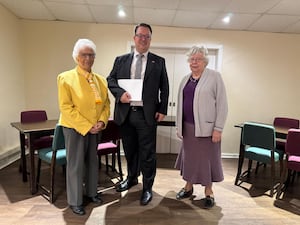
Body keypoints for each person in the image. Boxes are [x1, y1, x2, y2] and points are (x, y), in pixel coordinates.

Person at [107, 23, 169, 205]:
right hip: (126, 114)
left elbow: (164, 88)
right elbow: (110, 80)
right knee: (130, 150)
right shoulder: (121, 60)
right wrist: (120, 94)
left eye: (147, 36)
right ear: (134, 38)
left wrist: (162, 109)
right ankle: (132, 178)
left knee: (147, 153)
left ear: (150, 39)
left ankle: (147, 187)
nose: (143, 39)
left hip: (146, 115)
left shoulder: (159, 61)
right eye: (140, 35)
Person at [57, 38, 110, 215]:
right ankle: (75, 200)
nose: (88, 58)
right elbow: (66, 107)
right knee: (76, 165)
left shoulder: (101, 80)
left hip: (96, 128)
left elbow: (106, 104)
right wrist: (87, 126)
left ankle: (92, 193)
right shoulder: (65, 78)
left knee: (93, 162)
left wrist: (102, 122)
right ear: (76, 57)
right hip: (75, 129)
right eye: (83, 55)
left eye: (91, 55)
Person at [174, 46, 228, 209]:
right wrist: (179, 126)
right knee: (189, 159)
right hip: (189, 128)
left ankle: (208, 191)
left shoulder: (214, 77)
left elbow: (222, 105)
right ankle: (188, 187)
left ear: (205, 61)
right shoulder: (185, 79)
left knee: (207, 162)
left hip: (208, 130)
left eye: (198, 59)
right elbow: (180, 105)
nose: (194, 62)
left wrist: (218, 128)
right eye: (191, 59)